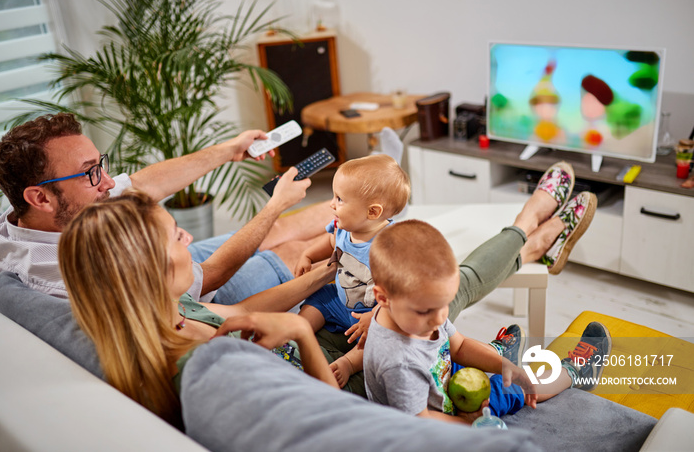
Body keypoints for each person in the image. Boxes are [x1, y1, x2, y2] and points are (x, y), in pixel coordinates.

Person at [58, 189, 339, 427]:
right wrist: (300, 330)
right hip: (341, 386)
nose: (189, 237)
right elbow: (331, 419)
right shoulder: (208, 372)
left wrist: (328, 271)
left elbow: (241, 312)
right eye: (177, 236)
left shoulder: (166, 310)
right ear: (151, 268)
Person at [0, 113, 330, 303]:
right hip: (191, 292)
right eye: (91, 173)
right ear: (40, 198)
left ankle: (377, 195)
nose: (108, 183)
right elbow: (210, 276)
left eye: (102, 165)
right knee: (293, 252)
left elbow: (140, 184)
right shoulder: (75, 271)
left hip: (172, 260)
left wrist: (230, 149)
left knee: (284, 230)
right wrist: (274, 206)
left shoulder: (30, 216)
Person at [363, 219, 612, 423]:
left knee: (508, 371)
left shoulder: (420, 314)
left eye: (444, 304)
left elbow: (458, 347)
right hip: (443, 417)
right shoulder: (398, 363)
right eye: (426, 310)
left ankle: (505, 355)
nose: (440, 318)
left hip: (444, 379)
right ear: (383, 298)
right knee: (520, 388)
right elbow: (420, 423)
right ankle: (575, 372)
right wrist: (467, 422)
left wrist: (505, 366)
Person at [294, 154, 409, 387]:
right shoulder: (345, 226)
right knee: (316, 299)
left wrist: (376, 315)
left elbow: (398, 293)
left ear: (373, 212)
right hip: (339, 299)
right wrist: (308, 255)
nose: (331, 204)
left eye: (340, 199)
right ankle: (296, 335)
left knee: (386, 335)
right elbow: (330, 242)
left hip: (370, 312)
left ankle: (349, 363)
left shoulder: (390, 246)